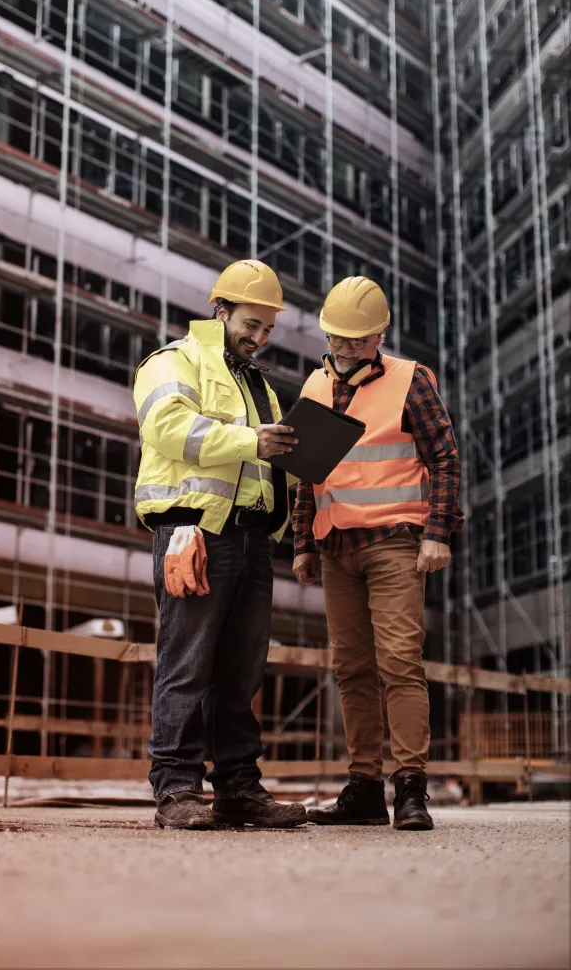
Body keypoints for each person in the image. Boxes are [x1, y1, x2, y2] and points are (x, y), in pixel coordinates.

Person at [134, 259, 309, 831]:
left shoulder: (258, 386)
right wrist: (252, 440)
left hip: (254, 540)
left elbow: (267, 461)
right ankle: (177, 788)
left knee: (239, 673)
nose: (257, 337)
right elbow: (165, 427)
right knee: (187, 665)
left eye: (266, 329)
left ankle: (238, 789)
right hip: (194, 532)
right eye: (250, 324)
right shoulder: (174, 361)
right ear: (221, 309)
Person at [292, 276, 464, 831]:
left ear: (379, 335)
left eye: (357, 340)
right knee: (351, 670)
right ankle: (363, 787)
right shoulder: (314, 387)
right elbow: (306, 474)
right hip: (337, 547)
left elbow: (445, 457)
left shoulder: (410, 382)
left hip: (394, 544)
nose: (345, 349)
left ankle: (411, 788)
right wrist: (302, 545)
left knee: (399, 665)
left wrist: (438, 533)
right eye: (337, 337)